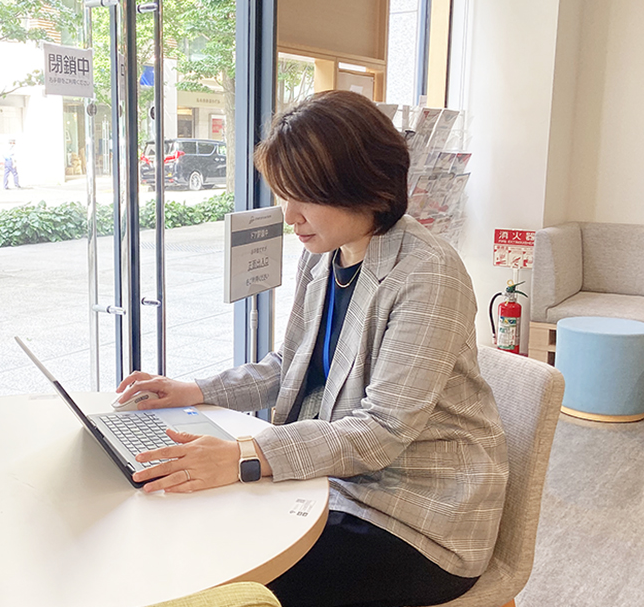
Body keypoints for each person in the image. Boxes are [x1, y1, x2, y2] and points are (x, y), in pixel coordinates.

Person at [115, 90, 508, 607]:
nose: (289, 216)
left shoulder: (428, 273)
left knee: (232, 575)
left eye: (305, 197)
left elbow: (382, 430)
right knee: (195, 532)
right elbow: (290, 364)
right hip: (335, 486)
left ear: (365, 186)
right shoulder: (325, 253)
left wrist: (242, 457)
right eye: (283, 194)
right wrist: (193, 390)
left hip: (418, 516)